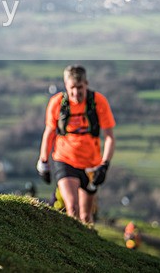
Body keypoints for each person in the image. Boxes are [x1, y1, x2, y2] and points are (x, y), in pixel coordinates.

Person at [37, 65, 115, 224]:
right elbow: (49, 133)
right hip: (65, 160)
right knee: (72, 208)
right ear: (66, 85)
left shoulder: (98, 102)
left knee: (86, 216)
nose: (76, 92)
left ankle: (87, 240)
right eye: (72, 88)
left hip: (91, 164)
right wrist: (43, 161)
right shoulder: (57, 103)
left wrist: (104, 165)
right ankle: (70, 240)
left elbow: (109, 137)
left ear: (86, 84)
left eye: (79, 87)